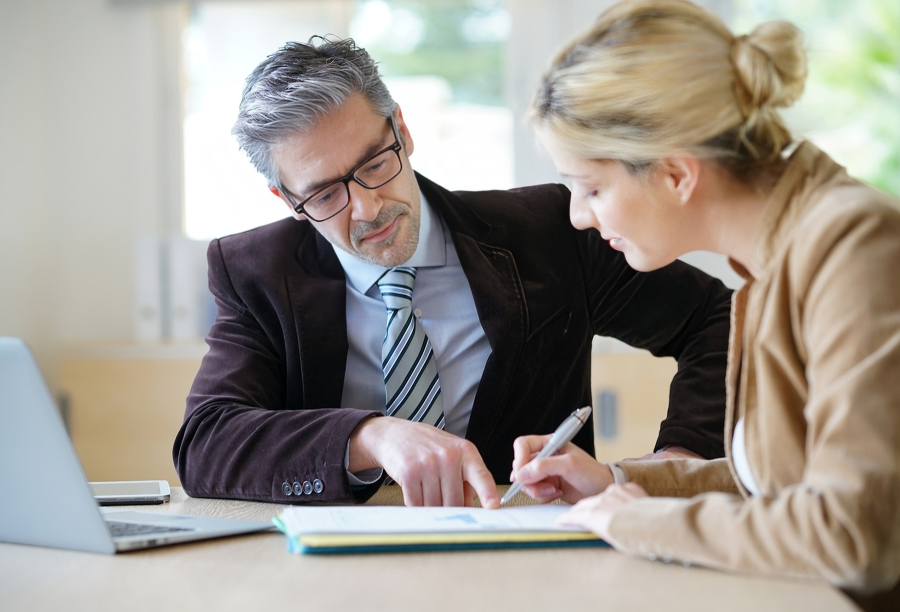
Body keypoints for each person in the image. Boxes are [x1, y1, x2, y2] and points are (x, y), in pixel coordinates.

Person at [172, 35, 732, 510]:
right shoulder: (255, 272)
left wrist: (679, 459)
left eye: (374, 164)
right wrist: (368, 437)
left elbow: (717, 318)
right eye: (323, 194)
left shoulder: (548, 233)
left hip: (528, 551)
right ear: (284, 196)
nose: (367, 209)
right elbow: (205, 445)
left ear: (402, 130)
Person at [510, 0, 900, 600]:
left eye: (591, 187)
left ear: (676, 174)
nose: (577, 216)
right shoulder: (777, 259)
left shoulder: (853, 249)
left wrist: (639, 522)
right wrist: (612, 482)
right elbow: (775, 485)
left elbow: (850, 532)